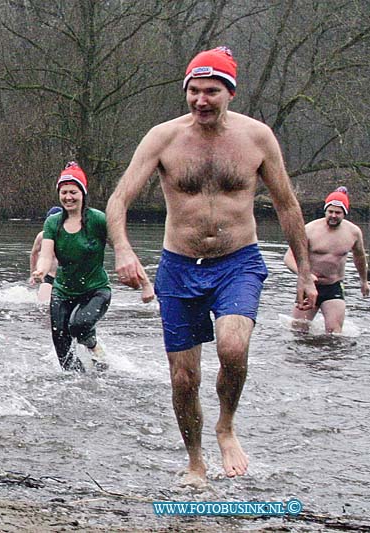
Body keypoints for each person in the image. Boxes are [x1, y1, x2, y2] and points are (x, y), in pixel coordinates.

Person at [105, 47, 317, 485]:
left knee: (233, 347)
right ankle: (196, 461)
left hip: (237, 260)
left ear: (230, 93)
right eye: (194, 91)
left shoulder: (257, 138)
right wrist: (124, 251)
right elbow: (118, 199)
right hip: (179, 265)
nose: (201, 100)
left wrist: (304, 270)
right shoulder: (163, 137)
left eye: (212, 91)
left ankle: (226, 425)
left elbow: (287, 204)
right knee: (184, 377)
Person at [31, 162, 113, 372]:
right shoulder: (53, 223)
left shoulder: (98, 220)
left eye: (73, 192)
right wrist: (40, 270)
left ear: (83, 193)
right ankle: (76, 385)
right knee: (62, 347)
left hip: (96, 289)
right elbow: (46, 254)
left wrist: (126, 260)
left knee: (78, 325)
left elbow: (120, 244)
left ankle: (95, 348)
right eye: (64, 192)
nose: (68, 197)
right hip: (63, 290)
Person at [284, 187, 369, 333]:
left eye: (338, 212)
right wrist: (305, 275)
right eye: (330, 211)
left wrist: (364, 281)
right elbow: (288, 258)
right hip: (310, 287)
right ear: (325, 211)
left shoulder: (353, 233)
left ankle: (331, 356)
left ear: (345, 213)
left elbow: (359, 257)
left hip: (333, 286)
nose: (334, 216)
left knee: (334, 333)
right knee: (298, 330)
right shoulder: (310, 230)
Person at [29, 206, 62, 303]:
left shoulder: (70, 235)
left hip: (65, 278)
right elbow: (33, 254)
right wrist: (33, 274)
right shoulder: (42, 236)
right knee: (43, 305)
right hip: (48, 276)